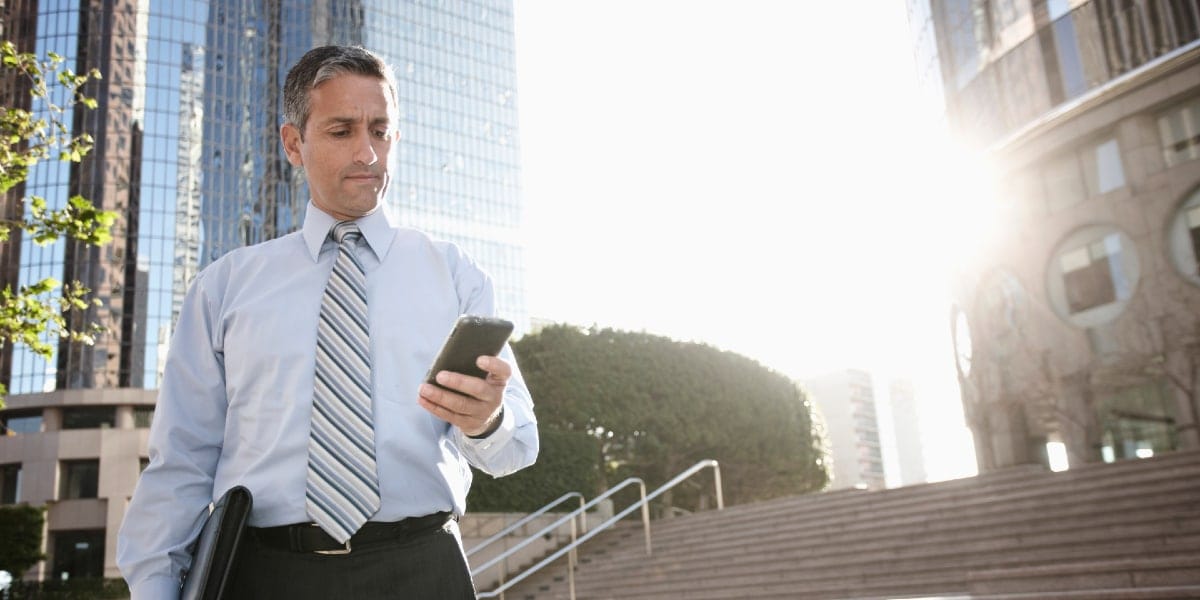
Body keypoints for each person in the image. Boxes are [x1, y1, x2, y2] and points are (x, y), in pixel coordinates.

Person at [116, 45, 538, 599]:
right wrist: (155, 590)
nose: (368, 152)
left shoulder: (455, 274)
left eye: (381, 130)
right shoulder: (224, 288)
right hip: (265, 576)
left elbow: (516, 448)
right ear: (294, 142)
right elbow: (182, 461)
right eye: (342, 131)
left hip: (424, 569)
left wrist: (486, 421)